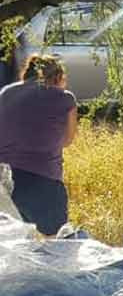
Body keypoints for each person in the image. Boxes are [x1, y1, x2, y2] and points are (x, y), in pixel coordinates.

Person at [0, 55, 78, 234]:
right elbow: (67, 140)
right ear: (58, 76)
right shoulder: (65, 99)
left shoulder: (5, 93)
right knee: (54, 242)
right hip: (44, 182)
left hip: (4, 180)